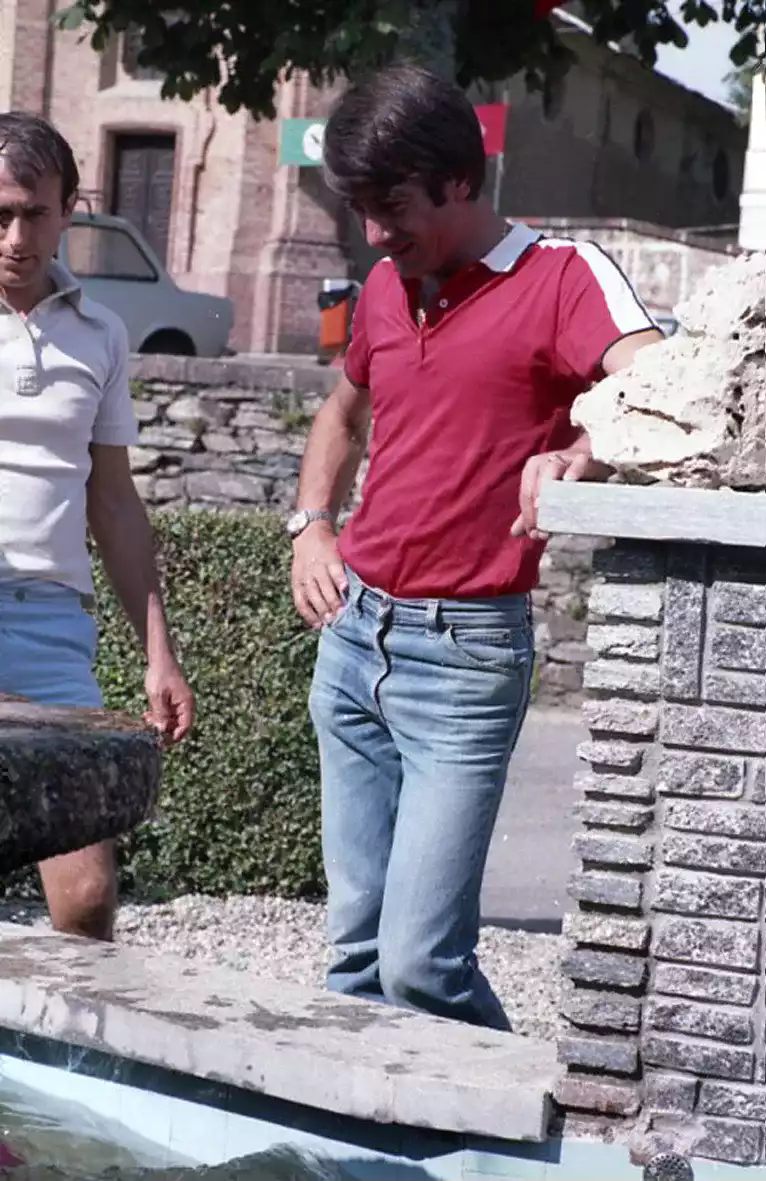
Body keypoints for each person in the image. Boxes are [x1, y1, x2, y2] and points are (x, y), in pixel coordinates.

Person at [289, 64, 662, 1030]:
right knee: (356, 956)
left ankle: (524, 1143)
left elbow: (665, 390)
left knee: (420, 963)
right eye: (361, 209)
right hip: (352, 635)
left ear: (460, 178)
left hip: (465, 657)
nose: (375, 233)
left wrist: (585, 451)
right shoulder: (382, 285)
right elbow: (342, 410)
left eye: (392, 206)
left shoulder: (563, 279)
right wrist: (312, 523)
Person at [0, 111, 195, 941]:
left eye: (32, 214)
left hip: (48, 625)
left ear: (69, 209)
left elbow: (113, 502)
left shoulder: (102, 335)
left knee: (84, 895)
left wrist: (159, 651)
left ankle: (63, 1066)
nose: (14, 235)